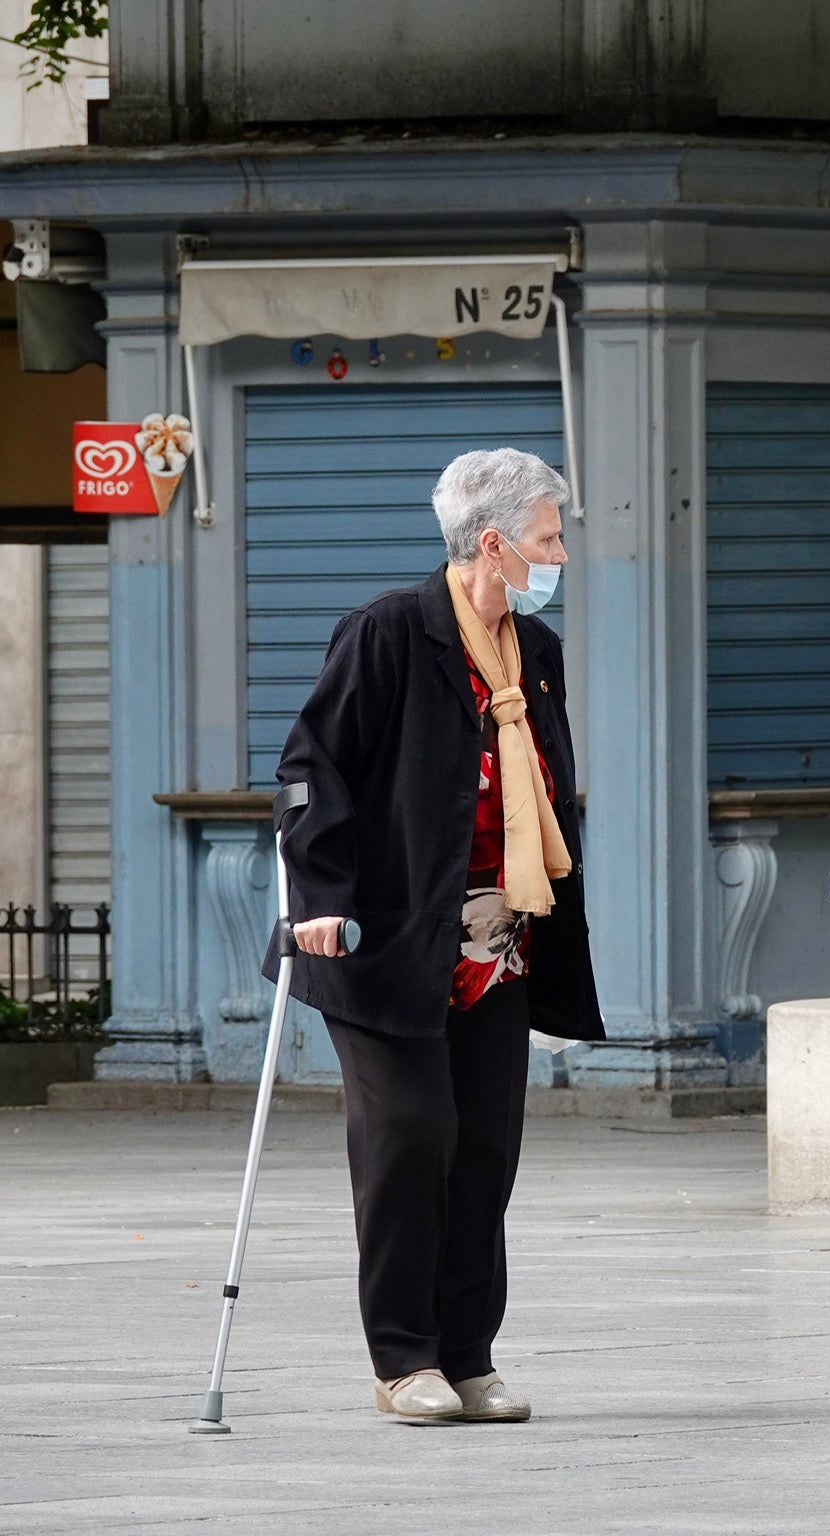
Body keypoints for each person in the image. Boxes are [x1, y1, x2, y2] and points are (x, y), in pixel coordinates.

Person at [271, 448, 603, 1423]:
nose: (561, 555)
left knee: (484, 1148)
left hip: (497, 940)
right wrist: (319, 894)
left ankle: (468, 1354)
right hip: (384, 941)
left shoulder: (530, 653)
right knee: (413, 1135)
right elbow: (310, 769)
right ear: (493, 545)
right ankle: (404, 1357)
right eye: (549, 537)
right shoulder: (387, 634)